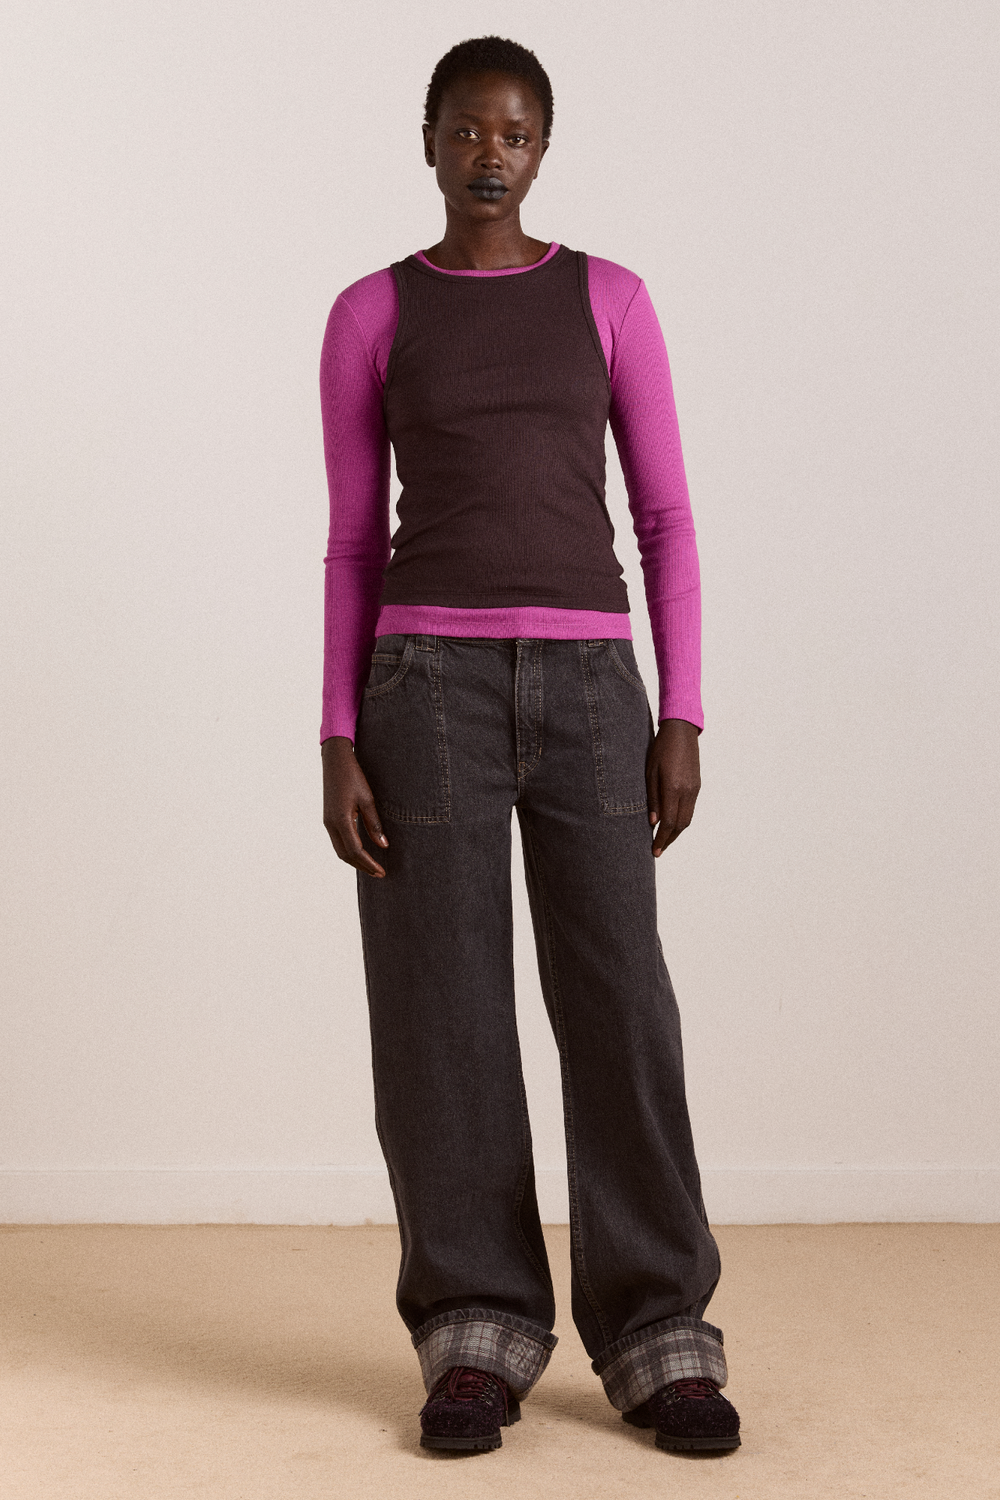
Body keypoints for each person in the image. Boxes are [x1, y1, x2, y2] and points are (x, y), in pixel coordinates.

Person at [319, 35, 740, 1456]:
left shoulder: (610, 299)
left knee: (620, 1003)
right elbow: (349, 542)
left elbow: (666, 518)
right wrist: (337, 732)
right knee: (440, 1017)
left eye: (513, 132)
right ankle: (475, 1331)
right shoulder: (372, 314)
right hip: (422, 689)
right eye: (465, 129)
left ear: (543, 150)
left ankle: (660, 1334)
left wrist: (681, 711)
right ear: (428, 141)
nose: (487, 152)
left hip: (589, 690)